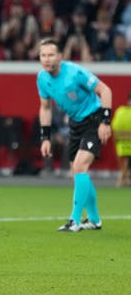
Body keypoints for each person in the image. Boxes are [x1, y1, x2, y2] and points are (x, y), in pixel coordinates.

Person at [37, 37, 113, 232]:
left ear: (60, 56)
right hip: (76, 124)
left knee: (79, 167)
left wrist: (105, 122)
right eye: (43, 55)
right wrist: (45, 138)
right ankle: (95, 220)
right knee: (77, 172)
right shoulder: (42, 79)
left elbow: (105, 90)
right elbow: (45, 108)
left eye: (51, 55)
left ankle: (74, 220)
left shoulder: (75, 72)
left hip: (94, 120)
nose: (47, 59)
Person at [111, 93, 131, 187]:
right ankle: (125, 176)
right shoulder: (120, 111)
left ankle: (124, 177)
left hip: (121, 144)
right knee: (126, 159)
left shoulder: (120, 111)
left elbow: (114, 128)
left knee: (124, 159)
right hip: (125, 144)